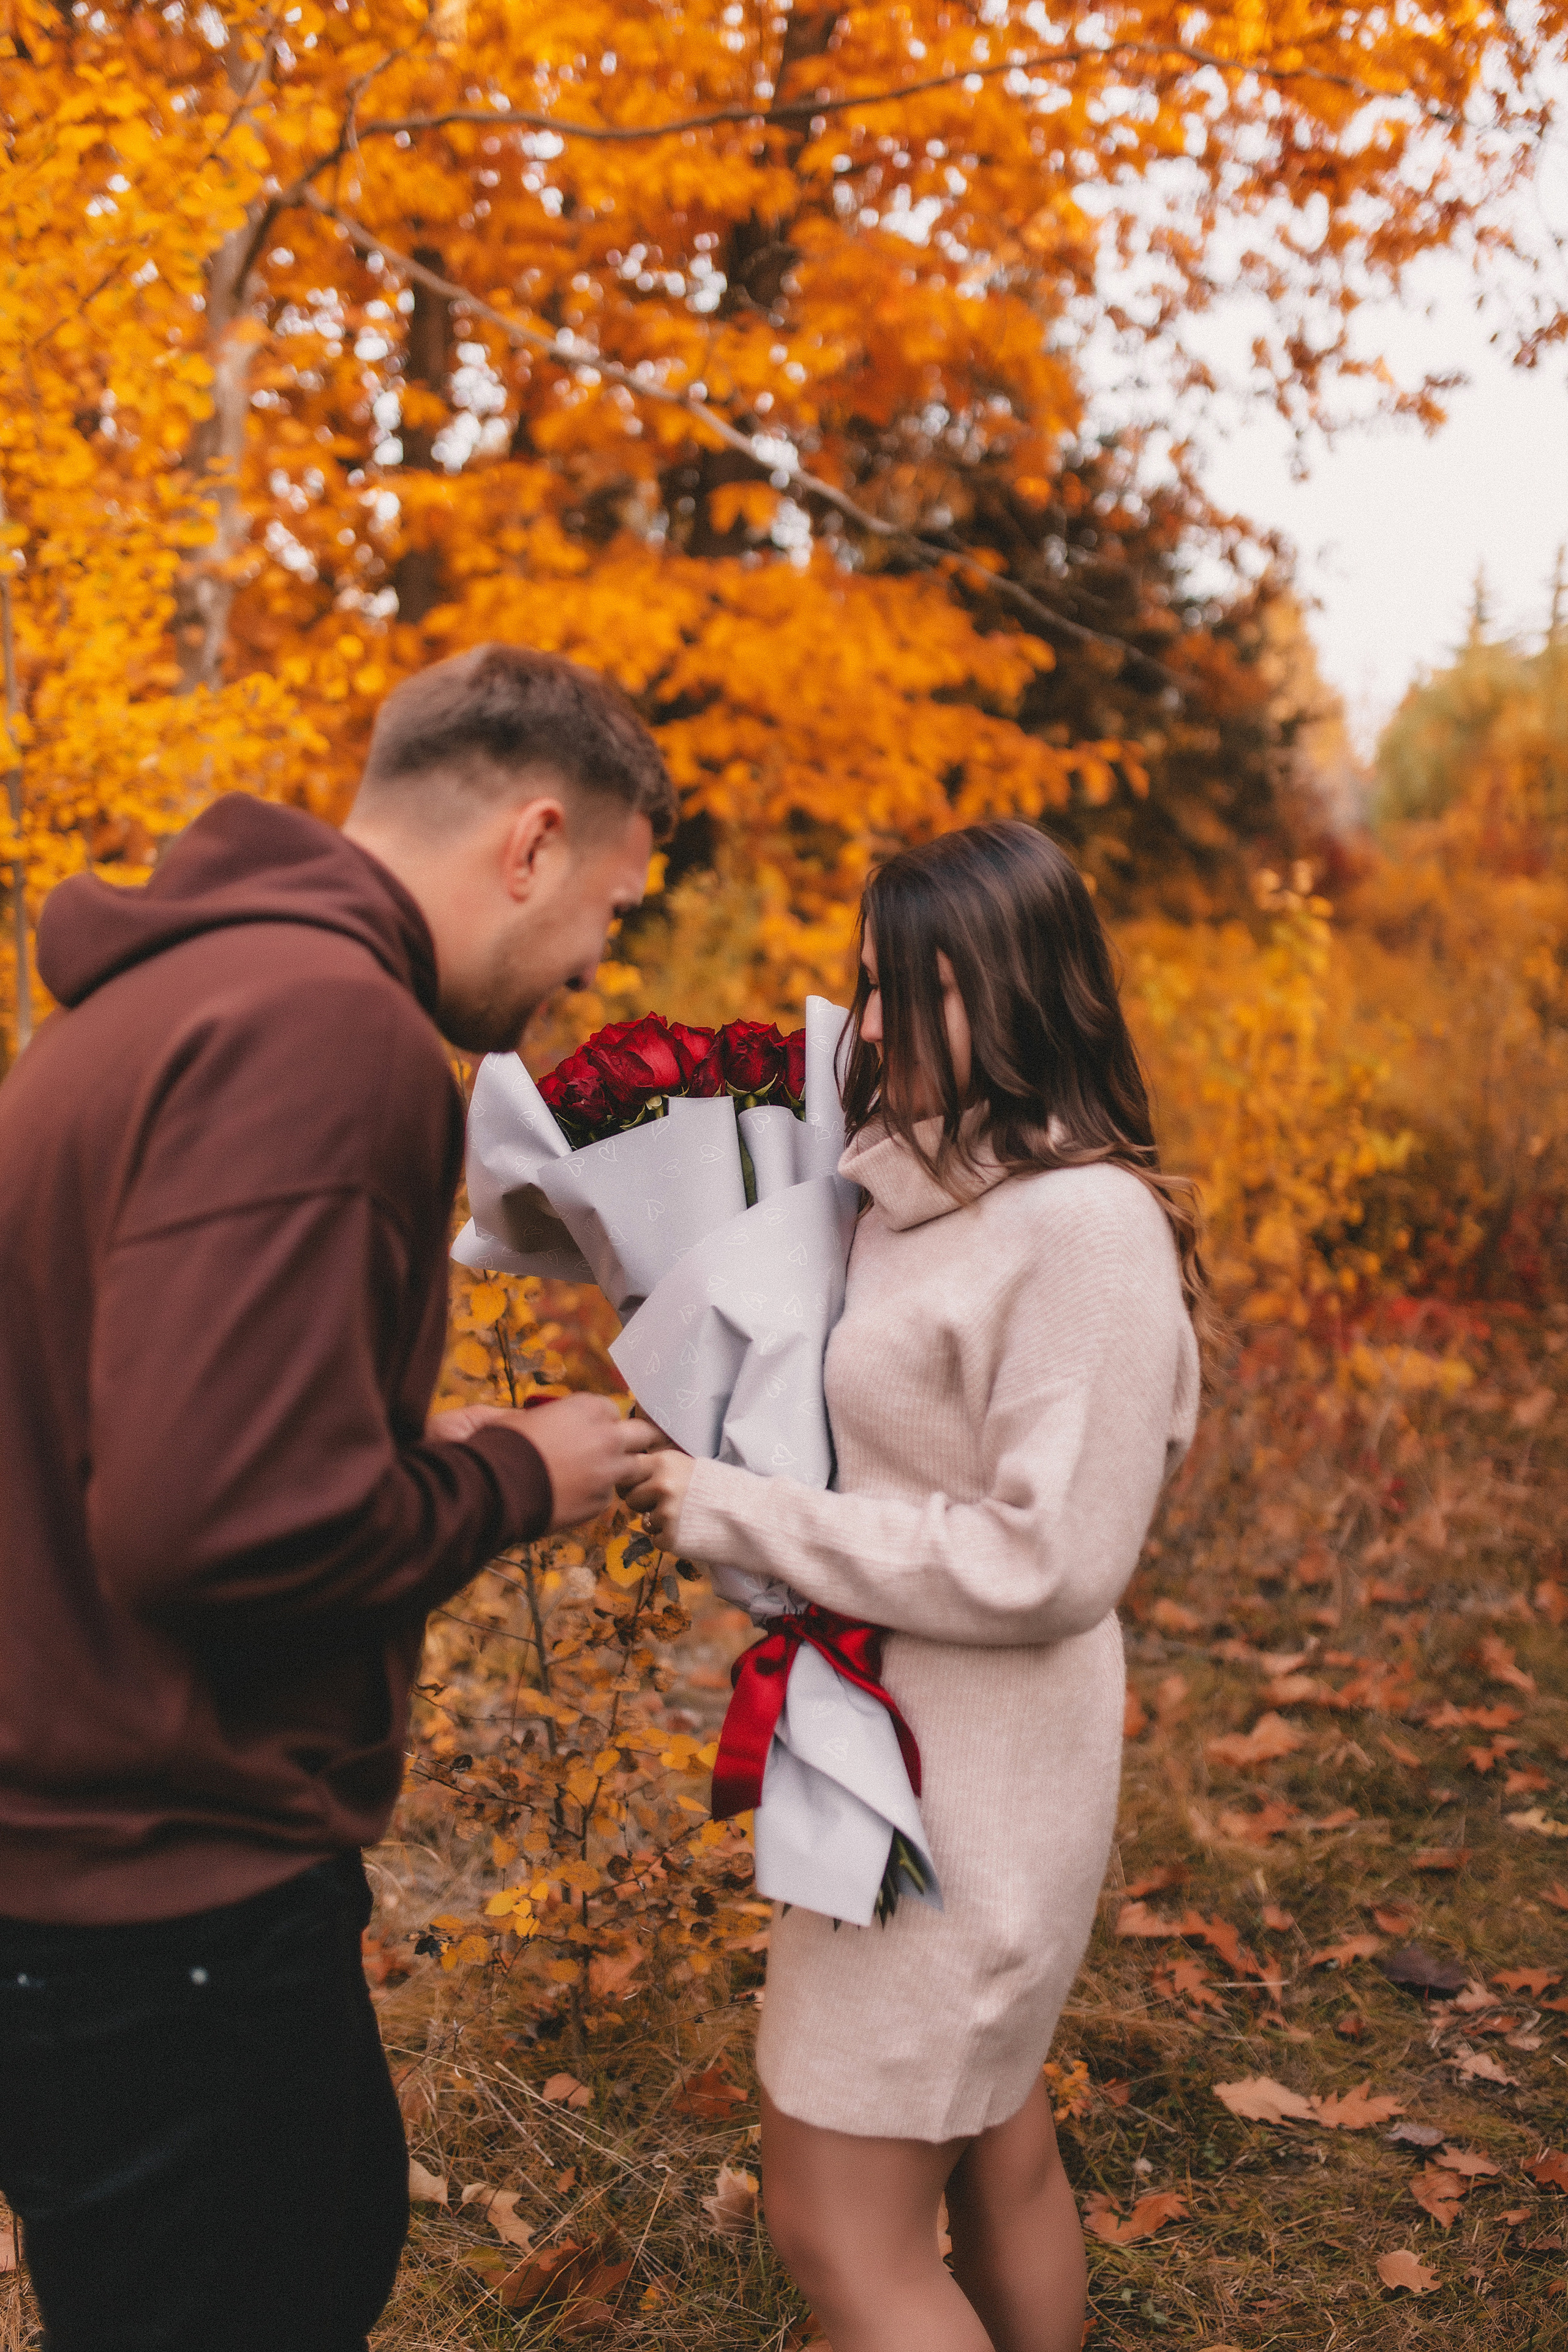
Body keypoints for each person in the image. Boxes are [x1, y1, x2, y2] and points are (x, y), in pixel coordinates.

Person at [0, 644, 667, 2352]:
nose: (599, 962)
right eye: (610, 903)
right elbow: (211, 1530)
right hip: (170, 1902)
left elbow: (121, 1411)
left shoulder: (160, 1007)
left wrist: (383, 1423)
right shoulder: (334, 1034)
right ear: (529, 841)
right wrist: (511, 1473)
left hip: (71, 1871)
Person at [625, 820, 1205, 2352]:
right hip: (884, 1757)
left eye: (922, 990)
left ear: (1027, 994)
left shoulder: (1081, 1226)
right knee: (991, 2139)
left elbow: (1050, 1559)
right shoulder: (909, 1200)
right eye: (873, 986)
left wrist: (746, 1513)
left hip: (977, 1786)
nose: (875, 1028)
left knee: (836, 2226)